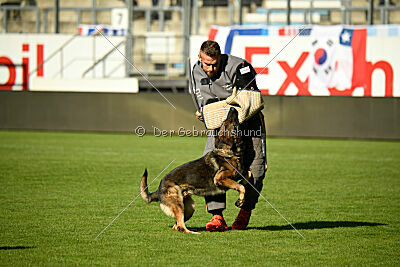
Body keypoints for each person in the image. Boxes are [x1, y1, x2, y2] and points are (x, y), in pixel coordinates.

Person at [191, 40, 267, 231]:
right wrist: (202, 113)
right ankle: (217, 217)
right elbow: (200, 101)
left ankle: (245, 211)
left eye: (215, 63)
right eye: (207, 63)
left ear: (221, 58)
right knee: (211, 168)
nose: (211, 68)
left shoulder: (240, 67)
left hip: (249, 124)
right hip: (219, 127)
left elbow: (251, 99)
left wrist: (218, 108)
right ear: (200, 57)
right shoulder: (195, 71)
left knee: (257, 170)